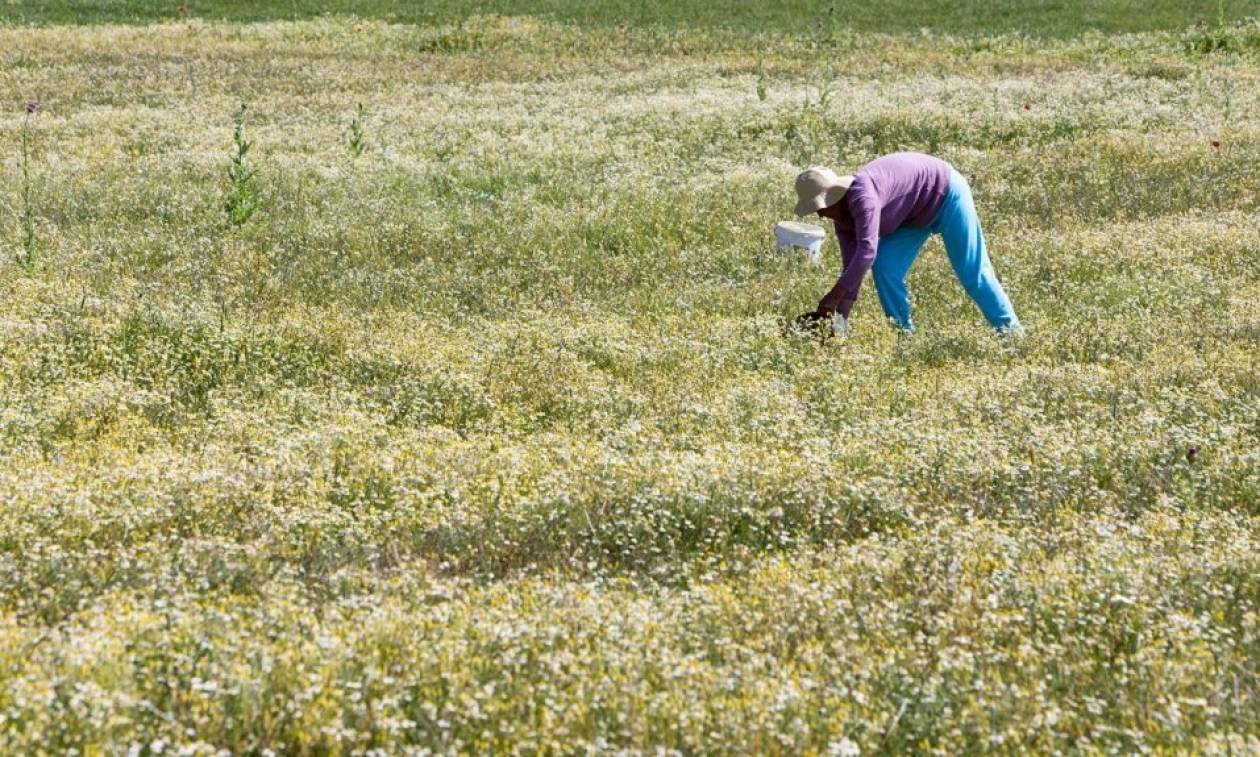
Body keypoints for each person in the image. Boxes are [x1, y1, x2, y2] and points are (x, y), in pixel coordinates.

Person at [791, 152, 1022, 335]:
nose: (820, 216)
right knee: (885, 267)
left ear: (833, 197)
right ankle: (905, 334)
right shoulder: (841, 218)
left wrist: (834, 293)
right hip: (912, 215)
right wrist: (839, 316)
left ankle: (1011, 334)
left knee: (973, 273)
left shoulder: (863, 198)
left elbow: (867, 252)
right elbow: (852, 265)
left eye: (819, 208)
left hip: (945, 193)